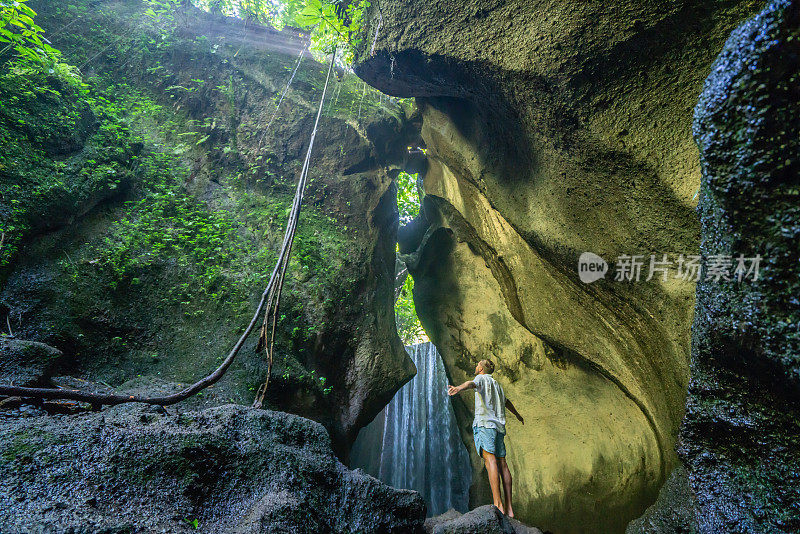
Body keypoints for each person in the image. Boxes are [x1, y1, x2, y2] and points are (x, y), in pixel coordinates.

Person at [448, 358, 524, 517]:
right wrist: (517, 414)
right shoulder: (498, 385)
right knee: (503, 463)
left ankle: (498, 504)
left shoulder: (480, 378)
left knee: (490, 461)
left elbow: (470, 383)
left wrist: (458, 388)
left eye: (477, 365)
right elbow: (506, 402)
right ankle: (509, 508)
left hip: (485, 425)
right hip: (498, 427)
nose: (476, 367)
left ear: (482, 368)